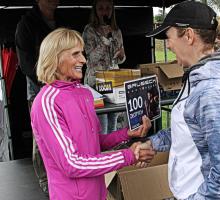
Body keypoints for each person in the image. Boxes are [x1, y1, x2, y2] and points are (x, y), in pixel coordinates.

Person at [30, 28, 154, 200]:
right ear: (55, 58)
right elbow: (72, 163)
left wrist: (126, 134)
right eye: (75, 54)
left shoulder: (84, 93)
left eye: (82, 53)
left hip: (98, 194)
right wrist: (128, 155)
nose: (83, 59)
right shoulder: (47, 102)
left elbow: (94, 143)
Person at [145, 1, 220, 199]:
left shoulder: (212, 92)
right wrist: (153, 143)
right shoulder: (198, 79)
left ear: (189, 36)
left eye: (169, 37)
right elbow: (190, 129)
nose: (167, 45)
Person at [15, 0, 60, 194]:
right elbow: (26, 63)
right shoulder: (25, 24)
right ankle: (45, 180)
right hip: (38, 89)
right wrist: (48, 81)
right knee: (41, 136)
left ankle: (59, 176)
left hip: (61, 88)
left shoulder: (60, 21)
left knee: (62, 134)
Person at [82, 0, 126, 134]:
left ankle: (112, 148)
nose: (104, 12)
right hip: (96, 81)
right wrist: (106, 39)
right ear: (95, 11)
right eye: (101, 9)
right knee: (102, 119)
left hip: (113, 79)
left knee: (114, 116)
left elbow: (121, 58)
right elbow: (91, 57)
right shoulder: (89, 30)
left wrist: (122, 55)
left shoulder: (116, 31)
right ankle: (102, 151)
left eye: (108, 8)